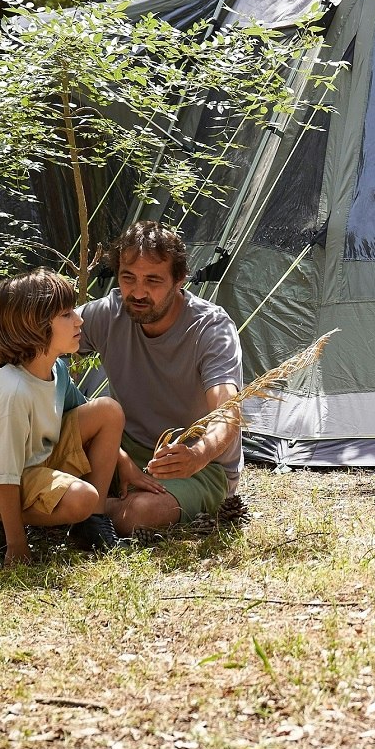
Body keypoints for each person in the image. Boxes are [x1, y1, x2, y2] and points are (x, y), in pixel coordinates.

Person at [74, 220, 247, 536]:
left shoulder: (210, 329)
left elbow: (227, 411)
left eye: (152, 280)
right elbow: (42, 343)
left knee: (140, 514)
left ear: (179, 280)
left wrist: (199, 453)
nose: (138, 292)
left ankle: (79, 509)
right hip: (122, 448)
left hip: (196, 463)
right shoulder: (109, 312)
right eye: (128, 278)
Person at [0, 270, 128, 565]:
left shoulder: (55, 370)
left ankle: (91, 524)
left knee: (108, 410)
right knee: (81, 498)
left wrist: (126, 464)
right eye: (66, 315)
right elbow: (4, 475)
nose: (79, 320)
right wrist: (17, 544)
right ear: (34, 326)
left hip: (33, 464)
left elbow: (87, 418)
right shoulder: (13, 392)